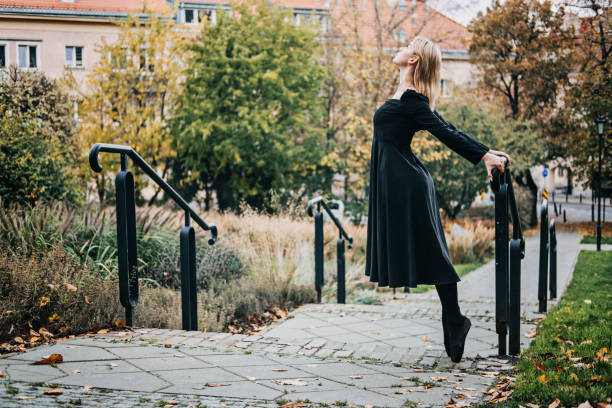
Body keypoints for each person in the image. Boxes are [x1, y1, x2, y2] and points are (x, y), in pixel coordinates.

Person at [364, 36, 511, 362]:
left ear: (413, 60)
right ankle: (454, 321)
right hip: (398, 183)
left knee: (435, 256)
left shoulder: (413, 101)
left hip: (407, 185)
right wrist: (484, 153)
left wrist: (484, 155)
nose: (399, 48)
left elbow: (446, 131)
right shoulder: (403, 96)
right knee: (431, 255)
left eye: (406, 46)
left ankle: (454, 320)